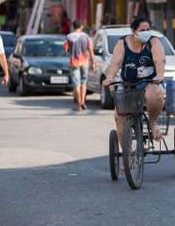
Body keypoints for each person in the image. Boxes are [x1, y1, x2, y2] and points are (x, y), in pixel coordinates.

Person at [102, 17, 166, 166]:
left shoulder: (154, 42)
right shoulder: (123, 42)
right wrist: (110, 77)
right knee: (119, 116)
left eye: (148, 30)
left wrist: (159, 75)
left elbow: (159, 61)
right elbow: (116, 62)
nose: (146, 33)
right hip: (128, 84)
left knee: (156, 94)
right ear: (133, 31)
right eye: (142, 30)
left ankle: (153, 123)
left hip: (149, 83)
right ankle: (127, 155)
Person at [64, 20, 95, 111]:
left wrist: (71, 49)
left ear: (73, 27)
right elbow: (90, 50)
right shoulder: (86, 37)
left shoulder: (69, 37)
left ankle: (78, 105)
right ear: (81, 27)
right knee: (83, 82)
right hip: (85, 62)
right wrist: (93, 63)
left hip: (74, 63)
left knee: (76, 84)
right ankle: (83, 102)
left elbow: (65, 50)